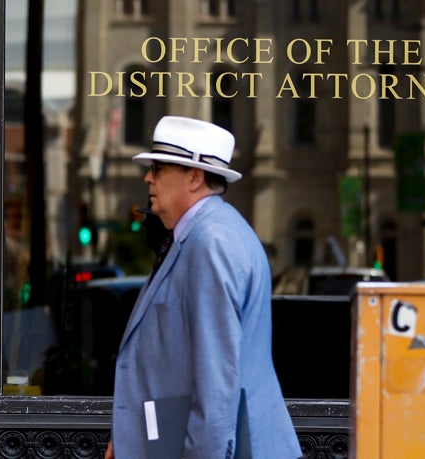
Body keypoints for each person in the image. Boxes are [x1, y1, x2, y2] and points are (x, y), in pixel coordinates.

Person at [106, 116, 300, 459]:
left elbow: (216, 388)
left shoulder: (211, 243)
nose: (148, 177)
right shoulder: (212, 232)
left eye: (160, 168)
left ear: (195, 177)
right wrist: (130, 439)